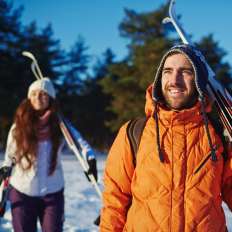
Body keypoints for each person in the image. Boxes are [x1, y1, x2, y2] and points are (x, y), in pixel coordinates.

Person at [100, 44, 232, 231]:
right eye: (167, 71)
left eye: (185, 71)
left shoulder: (219, 134)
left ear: (199, 81)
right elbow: (115, 201)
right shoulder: (134, 132)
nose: (174, 80)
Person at [0, 78, 97, 232]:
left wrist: (90, 158)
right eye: (34, 94)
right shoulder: (19, 126)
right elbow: (11, 155)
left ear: (51, 98)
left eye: (43, 94)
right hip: (22, 191)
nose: (38, 97)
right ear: (29, 97)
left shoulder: (61, 125)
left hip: (53, 192)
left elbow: (81, 144)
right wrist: (6, 168)